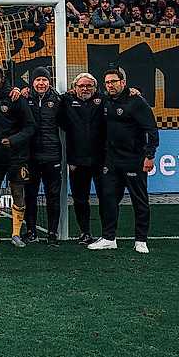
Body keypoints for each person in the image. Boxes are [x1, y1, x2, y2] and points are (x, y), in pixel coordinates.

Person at [90, 67, 160, 254]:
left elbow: (151, 130)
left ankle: (141, 240)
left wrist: (150, 155)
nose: (110, 85)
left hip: (134, 160)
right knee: (109, 199)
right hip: (111, 160)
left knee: (139, 200)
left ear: (123, 82)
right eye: (107, 82)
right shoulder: (105, 101)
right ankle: (108, 237)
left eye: (114, 81)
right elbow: (84, 92)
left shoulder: (136, 101)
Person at [0, 66, 35, 248]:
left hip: (17, 155)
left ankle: (16, 234)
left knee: (17, 192)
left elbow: (30, 126)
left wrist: (13, 140)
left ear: (3, 78)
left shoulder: (15, 98)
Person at [58, 73, 107, 244]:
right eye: (81, 86)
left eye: (89, 86)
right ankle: (85, 232)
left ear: (95, 88)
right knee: (80, 199)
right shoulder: (66, 101)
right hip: (77, 161)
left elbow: (121, 96)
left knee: (106, 198)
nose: (85, 89)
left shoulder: (104, 101)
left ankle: (107, 233)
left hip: (101, 160)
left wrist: (133, 91)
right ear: (74, 88)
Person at [23, 66, 63, 247]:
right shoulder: (25, 98)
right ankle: (31, 231)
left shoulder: (58, 100)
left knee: (52, 196)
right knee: (30, 195)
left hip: (52, 156)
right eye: (38, 80)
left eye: (44, 80)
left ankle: (52, 234)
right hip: (29, 157)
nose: (41, 83)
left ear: (49, 82)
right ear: (32, 82)